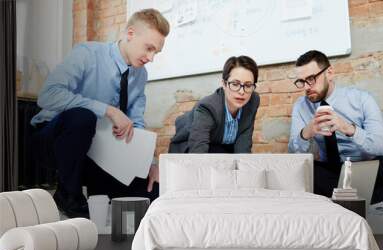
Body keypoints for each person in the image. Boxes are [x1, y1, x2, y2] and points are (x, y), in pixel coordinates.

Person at [30, 9, 170, 218]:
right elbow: (48, 96)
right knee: (82, 117)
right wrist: (108, 110)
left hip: (96, 148)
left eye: (155, 52)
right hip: (53, 138)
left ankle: (98, 196)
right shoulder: (87, 53)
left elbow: (137, 124)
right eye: (149, 48)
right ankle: (68, 195)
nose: (151, 58)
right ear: (130, 34)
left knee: (153, 191)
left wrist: (150, 165)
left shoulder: (140, 75)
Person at [288, 50, 383, 208]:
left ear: (330, 73)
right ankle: (378, 191)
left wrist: (347, 128)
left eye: (311, 79)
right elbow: (294, 156)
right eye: (301, 81)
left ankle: (340, 196)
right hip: (333, 169)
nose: (306, 87)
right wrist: (306, 132)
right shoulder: (301, 106)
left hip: (364, 165)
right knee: (301, 172)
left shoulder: (362, 99)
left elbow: (382, 146)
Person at [169, 56, 260, 154]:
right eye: (235, 84)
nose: (242, 92)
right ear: (224, 84)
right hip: (190, 146)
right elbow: (198, 151)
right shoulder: (207, 107)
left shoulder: (253, 101)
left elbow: (244, 141)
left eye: (248, 85)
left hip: (221, 147)